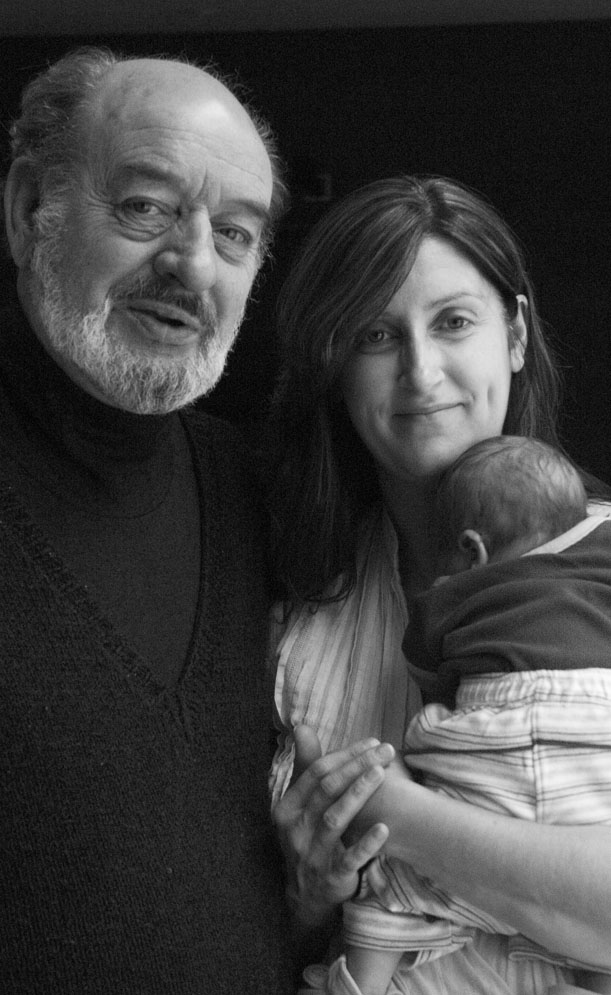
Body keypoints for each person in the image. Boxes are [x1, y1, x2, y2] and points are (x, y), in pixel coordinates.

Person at [264, 175, 611, 995]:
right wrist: (307, 894)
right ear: (335, 367)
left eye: (453, 321)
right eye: (376, 335)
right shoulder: (287, 609)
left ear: (514, 335)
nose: (421, 372)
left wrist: (400, 813)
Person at [0, 46, 296, 993]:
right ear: (28, 210)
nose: (192, 263)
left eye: (235, 233)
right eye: (146, 207)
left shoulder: (249, 488)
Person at [340, 434, 611, 995]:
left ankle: (354, 986)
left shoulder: (452, 596)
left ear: (472, 550)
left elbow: (428, 669)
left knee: (389, 888)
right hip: (594, 752)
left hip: (495, 748)